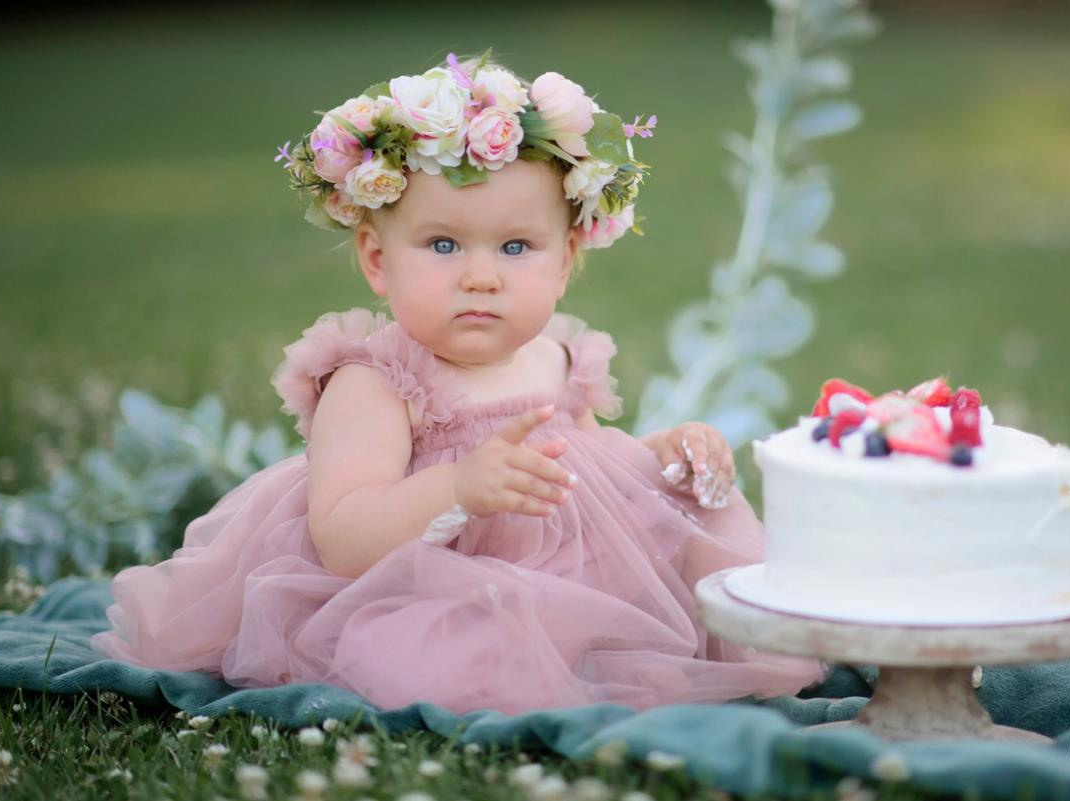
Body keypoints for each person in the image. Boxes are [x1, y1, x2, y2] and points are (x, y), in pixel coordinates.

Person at [89, 51, 832, 713]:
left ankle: (618, 643)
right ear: (378, 259)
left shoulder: (557, 360)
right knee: (467, 648)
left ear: (567, 260)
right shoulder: (375, 383)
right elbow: (343, 535)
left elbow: (591, 475)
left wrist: (664, 450)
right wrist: (456, 488)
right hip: (421, 585)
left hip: (555, 573)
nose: (481, 275)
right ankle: (533, 658)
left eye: (516, 246)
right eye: (443, 243)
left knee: (673, 552)